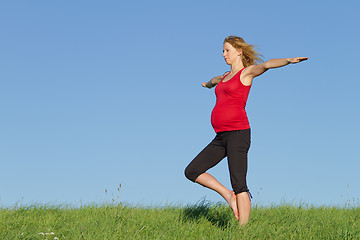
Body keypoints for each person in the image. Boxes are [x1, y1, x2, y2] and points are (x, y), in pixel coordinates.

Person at [184, 35, 308, 226]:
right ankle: (228, 195)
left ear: (239, 51)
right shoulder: (224, 76)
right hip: (220, 136)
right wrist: (207, 84)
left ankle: (243, 232)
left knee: (239, 183)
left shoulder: (246, 73)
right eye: (223, 51)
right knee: (192, 171)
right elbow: (214, 81)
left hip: (238, 134)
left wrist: (288, 61)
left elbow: (266, 65)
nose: (224, 54)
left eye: (227, 50)